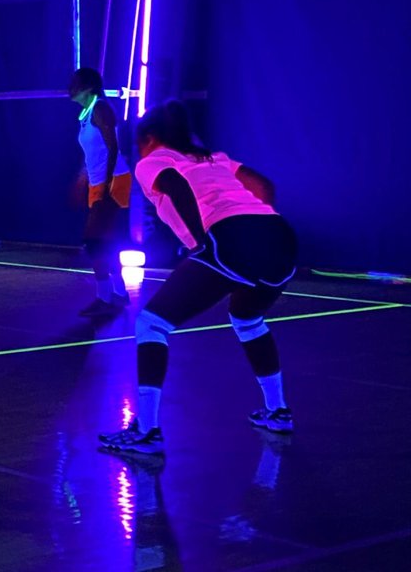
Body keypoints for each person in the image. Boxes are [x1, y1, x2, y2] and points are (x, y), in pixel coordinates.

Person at [98, 100, 297, 458]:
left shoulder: (153, 161)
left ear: (151, 138)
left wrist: (200, 241)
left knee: (151, 323)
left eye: (140, 142)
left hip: (231, 237)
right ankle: (278, 411)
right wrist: (262, 225)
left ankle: (146, 432)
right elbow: (263, 184)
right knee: (248, 318)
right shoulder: (214, 159)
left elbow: (176, 187)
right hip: (280, 238)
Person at [70, 68, 132, 317]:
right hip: (99, 182)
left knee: (93, 241)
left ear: (88, 87)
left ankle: (104, 297)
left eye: (75, 84)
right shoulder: (85, 114)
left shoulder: (100, 108)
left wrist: (105, 185)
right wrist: (82, 178)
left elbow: (113, 147)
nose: (70, 88)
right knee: (105, 241)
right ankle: (120, 293)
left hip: (114, 180)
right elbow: (92, 154)